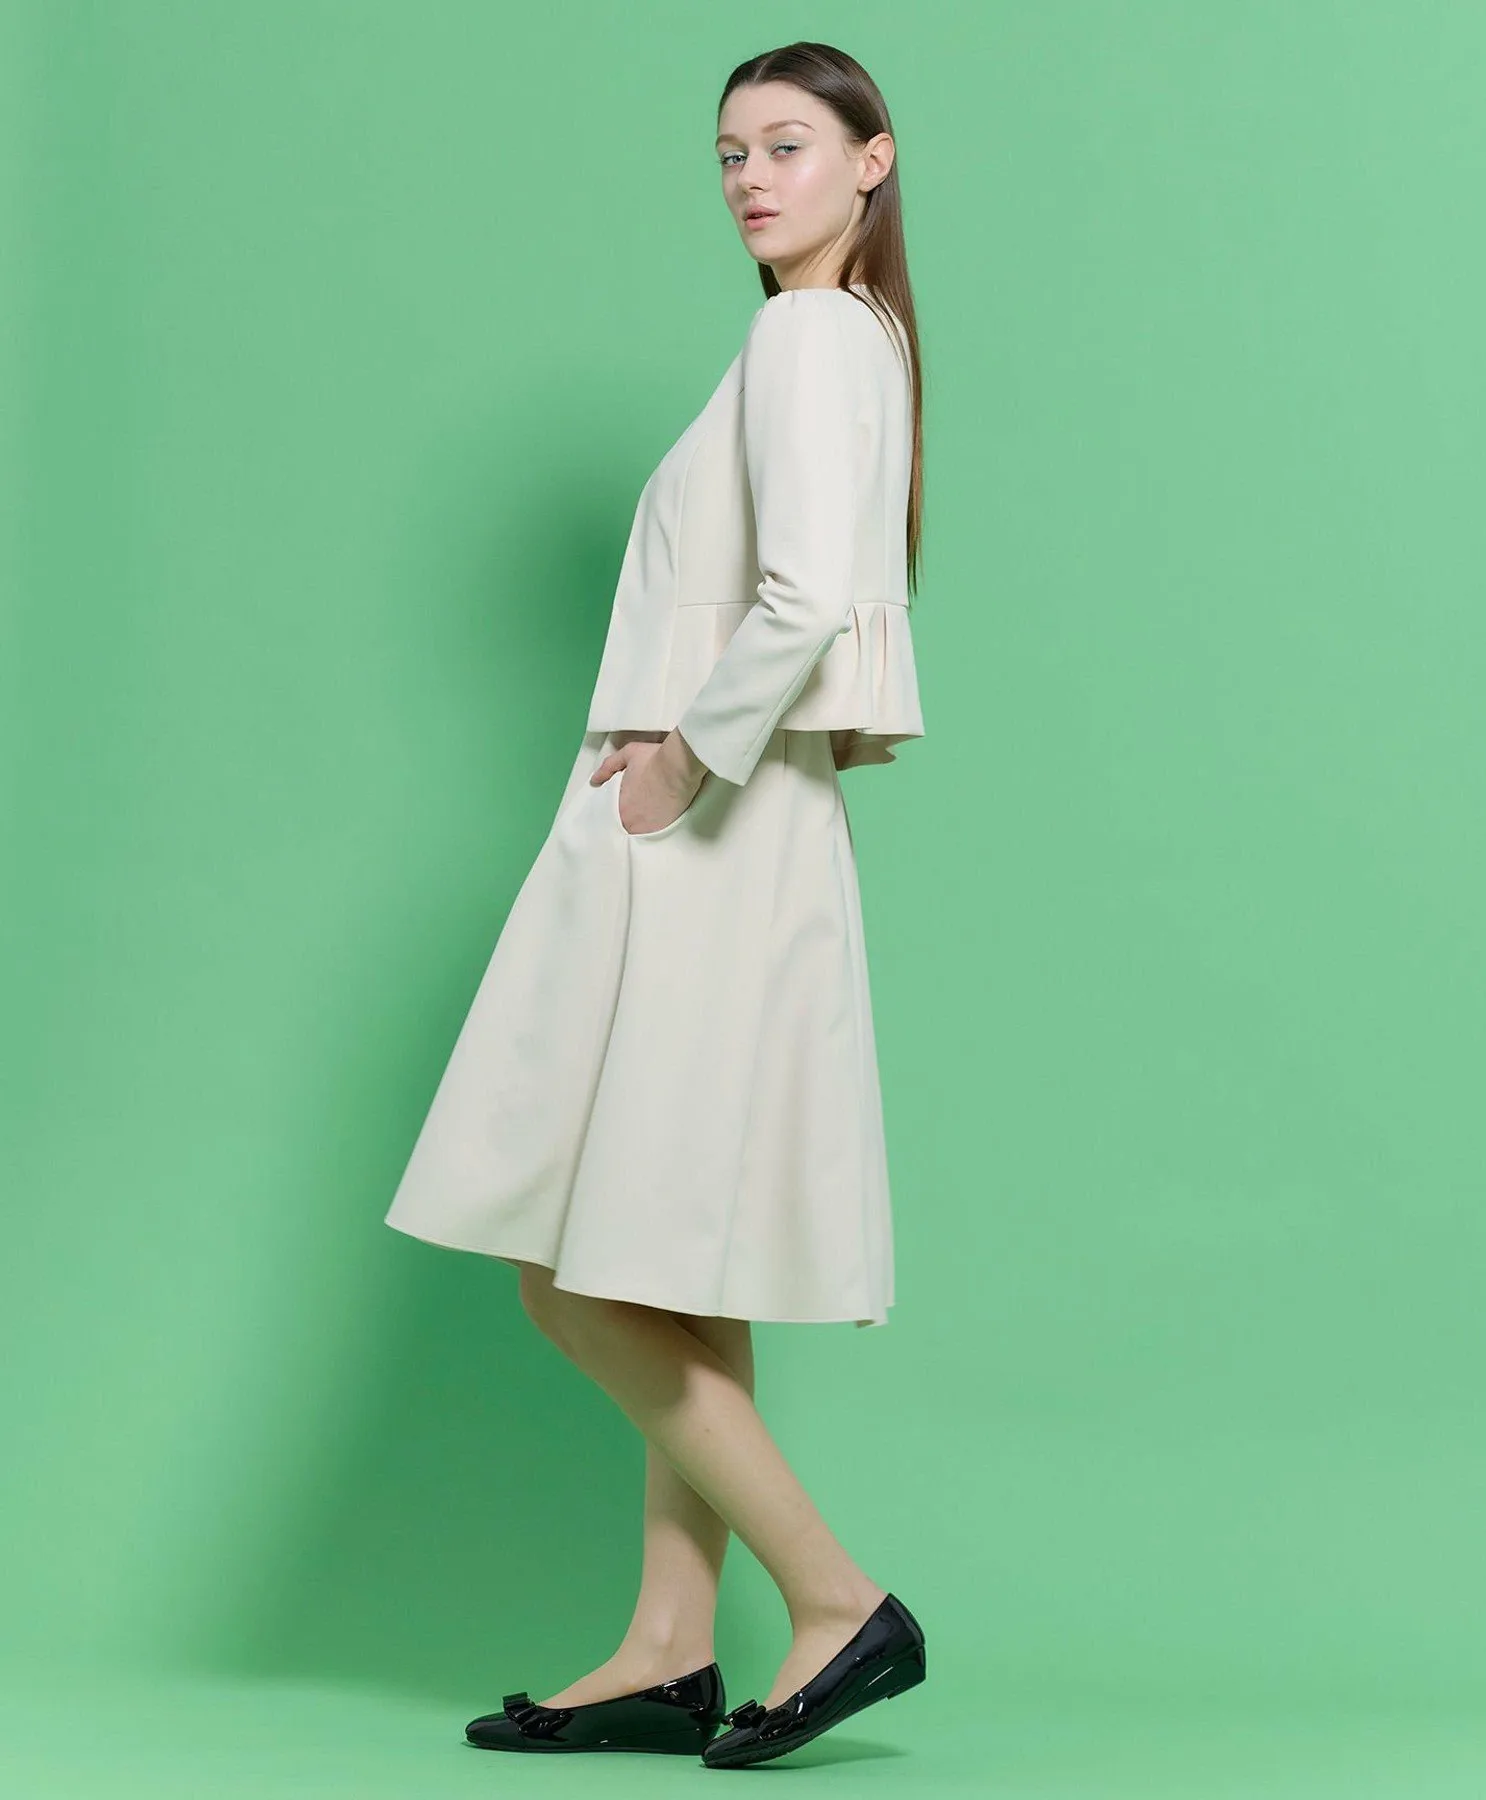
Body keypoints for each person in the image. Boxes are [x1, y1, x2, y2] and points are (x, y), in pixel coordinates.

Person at [385, 41, 930, 1768]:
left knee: (576, 1275)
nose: (751, 178)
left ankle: (837, 1600)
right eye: (728, 154)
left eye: (788, 144)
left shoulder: (807, 335)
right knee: (668, 1254)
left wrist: (679, 763)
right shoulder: (854, 338)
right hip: (749, 829)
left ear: (872, 161)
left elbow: (806, 594)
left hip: (710, 830)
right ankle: (670, 1645)